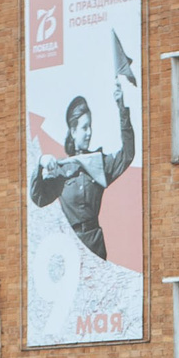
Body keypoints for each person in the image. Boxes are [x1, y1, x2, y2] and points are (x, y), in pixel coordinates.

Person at [29, 84, 136, 262]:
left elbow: (127, 154)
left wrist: (122, 108)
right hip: (70, 245)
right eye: (84, 128)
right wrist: (40, 164)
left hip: (95, 244)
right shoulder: (61, 169)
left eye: (90, 127)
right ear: (73, 131)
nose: (89, 133)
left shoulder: (99, 164)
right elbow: (38, 198)